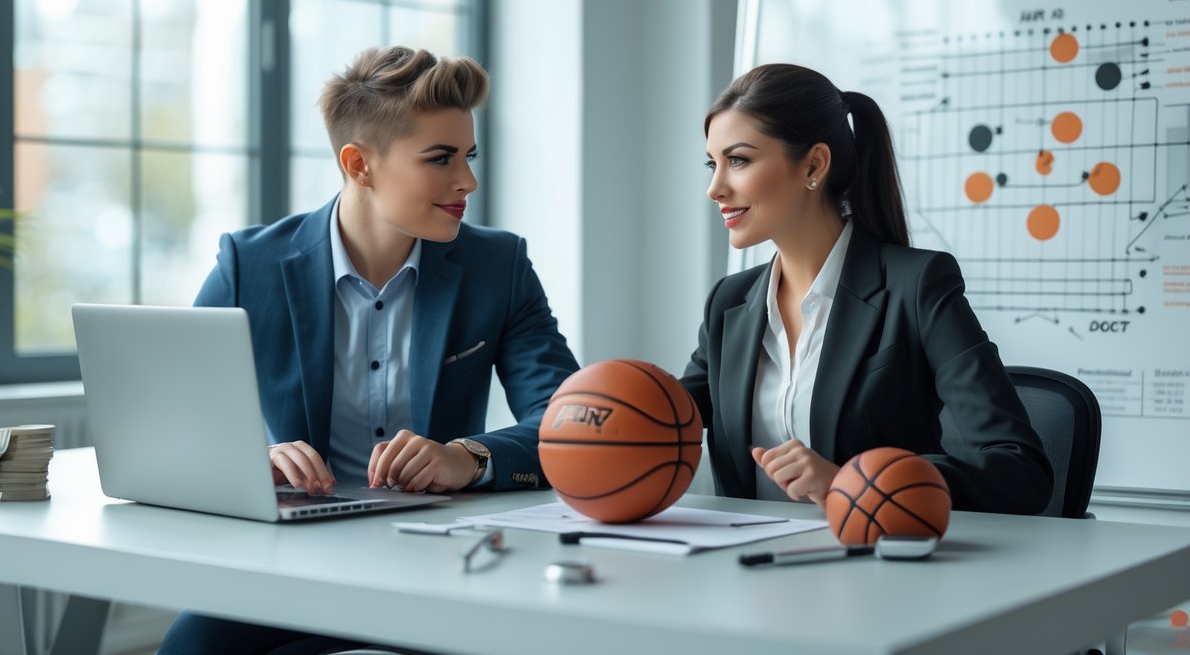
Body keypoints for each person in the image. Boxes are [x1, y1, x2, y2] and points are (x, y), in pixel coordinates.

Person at [159, 46, 578, 655]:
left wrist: (470, 456)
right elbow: (175, 418)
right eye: (440, 159)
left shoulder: (500, 266)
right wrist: (255, 459)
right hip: (293, 557)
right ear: (359, 164)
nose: (468, 181)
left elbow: (571, 421)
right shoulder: (250, 265)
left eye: (469, 156)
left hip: (445, 559)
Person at [680, 63, 1052, 514]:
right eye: (711, 163)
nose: (714, 188)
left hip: (876, 570)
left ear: (813, 164)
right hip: (747, 570)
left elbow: (1021, 472)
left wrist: (853, 482)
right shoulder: (729, 303)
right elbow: (656, 418)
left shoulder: (917, 287)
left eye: (737, 160)